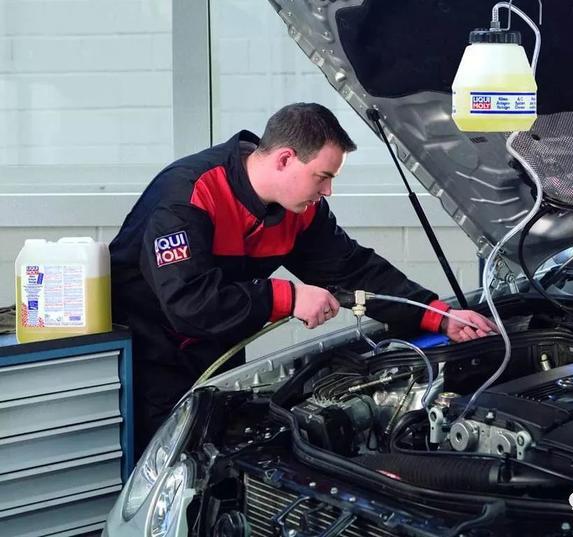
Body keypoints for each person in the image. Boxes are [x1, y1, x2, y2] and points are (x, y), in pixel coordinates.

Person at [109, 102, 496, 455]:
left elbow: (352, 268)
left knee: (222, 455)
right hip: (147, 353)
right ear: (285, 159)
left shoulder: (299, 209)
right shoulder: (188, 194)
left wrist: (438, 315)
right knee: (169, 465)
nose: (328, 190)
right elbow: (190, 303)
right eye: (322, 177)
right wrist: (290, 298)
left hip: (216, 347)